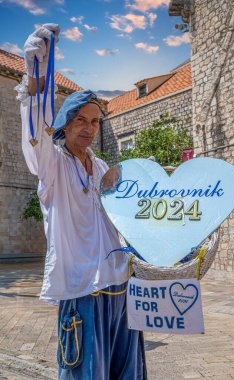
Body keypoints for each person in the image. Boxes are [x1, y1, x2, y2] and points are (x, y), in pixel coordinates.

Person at [16, 23, 147, 380]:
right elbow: (35, 136)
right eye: (79, 120)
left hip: (120, 287)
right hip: (82, 291)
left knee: (127, 373)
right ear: (65, 122)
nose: (88, 128)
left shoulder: (102, 166)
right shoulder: (53, 164)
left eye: (94, 121)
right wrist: (35, 76)